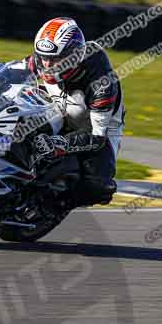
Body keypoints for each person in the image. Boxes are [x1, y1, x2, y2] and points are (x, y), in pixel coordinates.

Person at [26, 17, 125, 206]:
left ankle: (54, 206)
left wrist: (61, 143)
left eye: (54, 59)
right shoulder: (43, 60)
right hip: (58, 109)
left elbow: (97, 137)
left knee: (99, 188)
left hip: (97, 127)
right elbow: (15, 70)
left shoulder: (101, 84)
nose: (47, 65)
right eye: (43, 57)